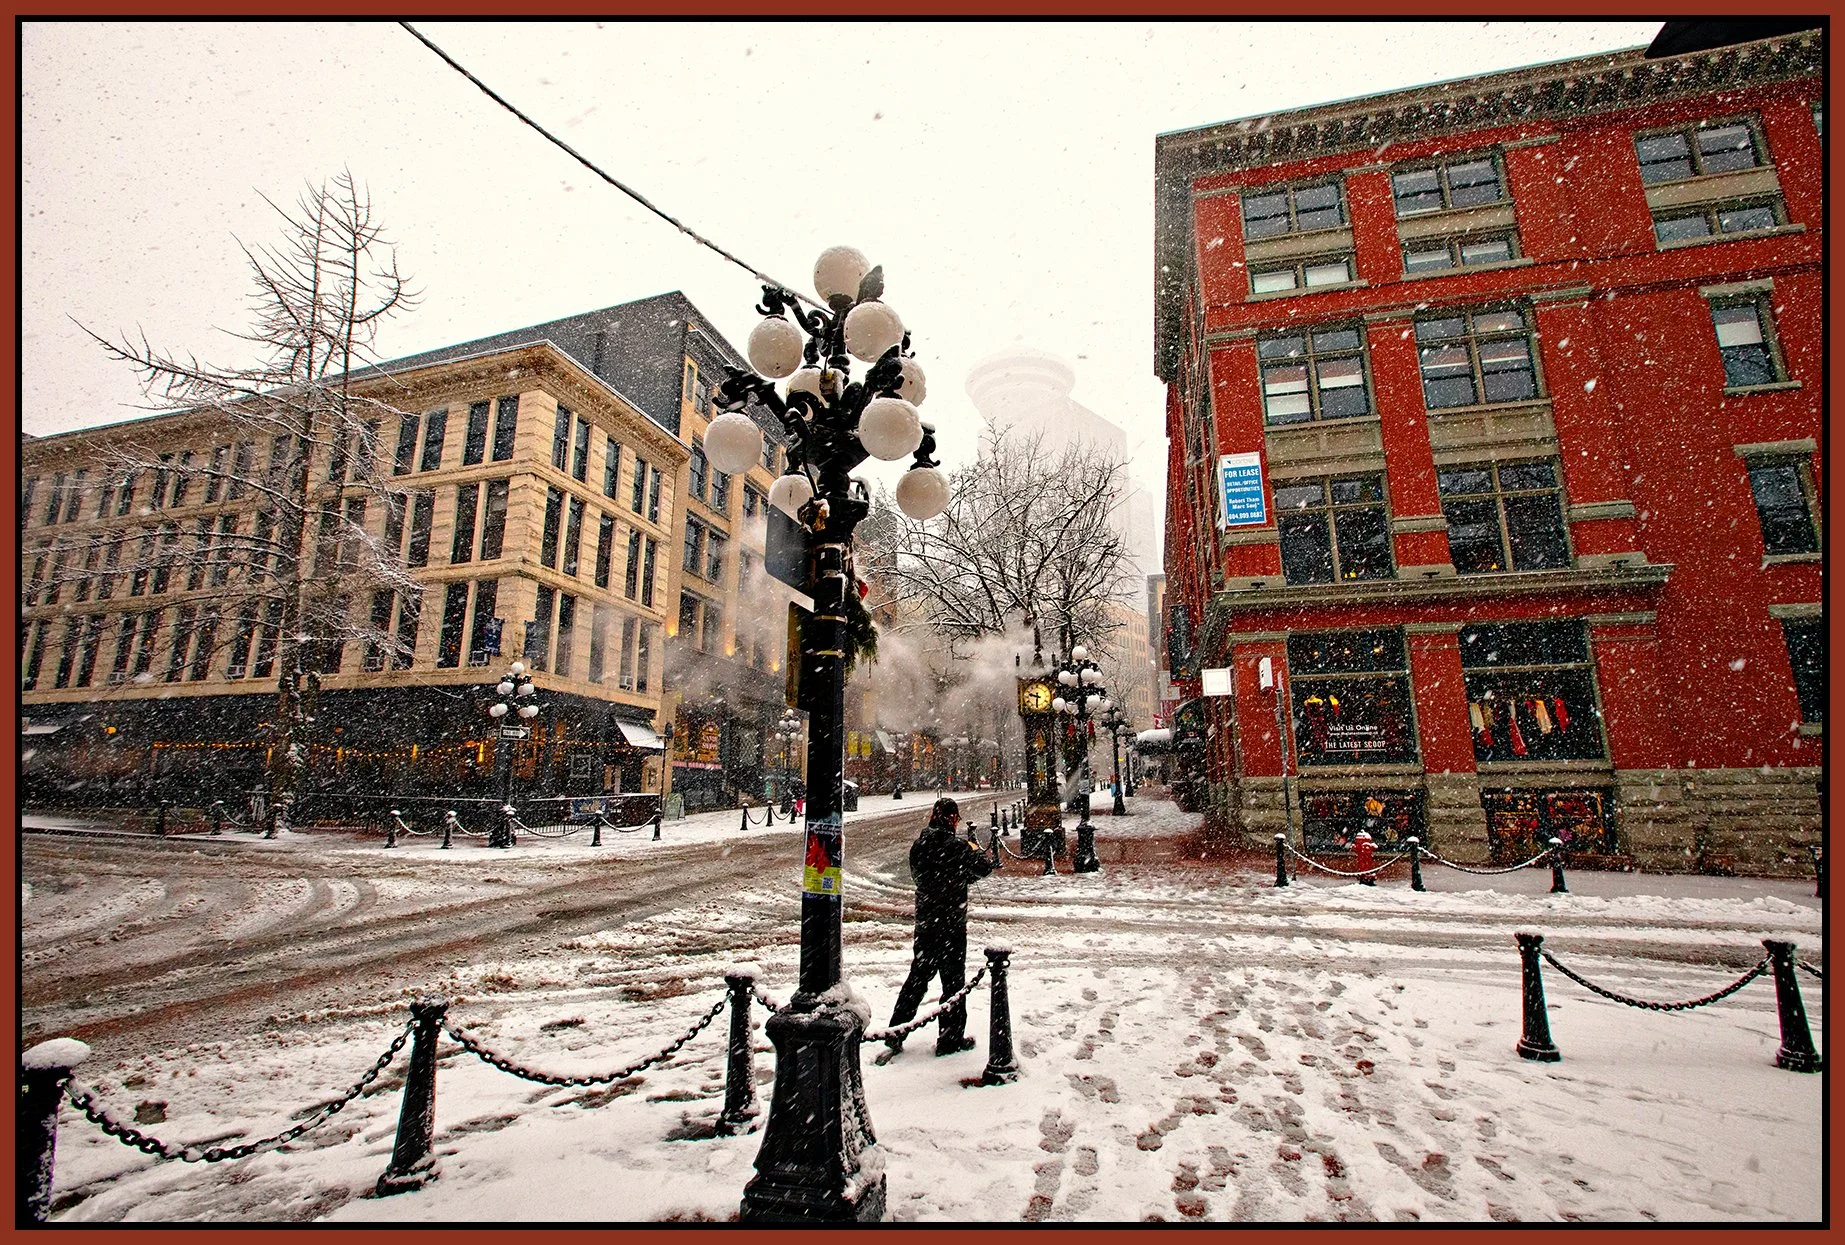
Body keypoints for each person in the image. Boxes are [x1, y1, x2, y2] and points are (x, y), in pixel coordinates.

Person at [884, 796, 994, 1058]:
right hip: (952, 923)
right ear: (952, 819)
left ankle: (896, 1031)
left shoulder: (920, 844)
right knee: (953, 982)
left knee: (918, 978)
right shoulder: (957, 847)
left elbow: (919, 877)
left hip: (926, 921)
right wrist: (965, 865)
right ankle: (950, 1038)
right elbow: (984, 867)